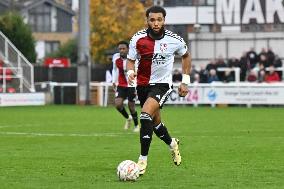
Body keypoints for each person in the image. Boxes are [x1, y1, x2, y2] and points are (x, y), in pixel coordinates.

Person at [126, 6, 191, 175]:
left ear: (164, 20)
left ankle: (142, 160)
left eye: (159, 20)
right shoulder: (137, 39)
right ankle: (172, 144)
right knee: (155, 124)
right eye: (152, 20)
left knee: (145, 115)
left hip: (162, 85)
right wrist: (130, 71)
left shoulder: (174, 40)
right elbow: (130, 60)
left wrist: (185, 81)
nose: (156, 23)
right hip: (142, 85)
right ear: (147, 21)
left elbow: (186, 55)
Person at [112, 41, 139, 132]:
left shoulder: (133, 59)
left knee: (131, 106)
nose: (121, 50)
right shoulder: (115, 58)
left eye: (123, 49)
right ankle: (128, 118)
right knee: (118, 104)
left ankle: (136, 125)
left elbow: (138, 71)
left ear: (128, 49)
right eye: (120, 49)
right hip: (121, 85)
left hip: (131, 85)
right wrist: (113, 81)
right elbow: (114, 69)